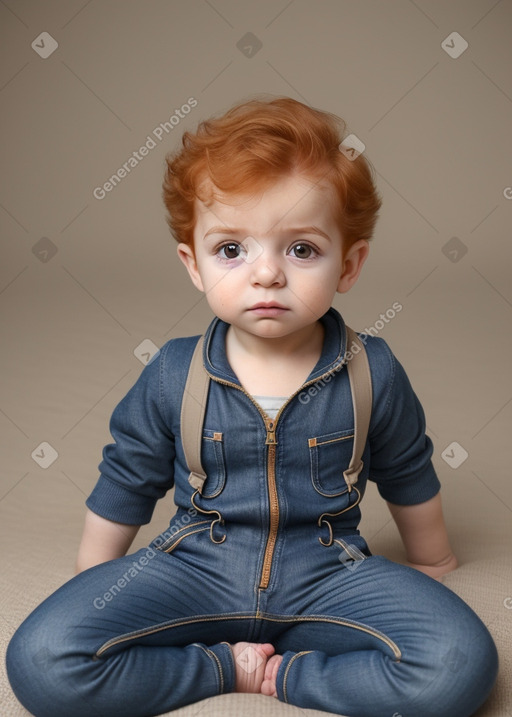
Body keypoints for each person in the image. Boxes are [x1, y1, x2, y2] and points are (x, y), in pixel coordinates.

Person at [6, 96, 498, 717]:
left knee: (460, 665)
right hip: (193, 569)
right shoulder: (172, 372)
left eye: (300, 250)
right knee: (43, 659)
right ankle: (218, 666)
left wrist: (435, 561)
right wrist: (97, 579)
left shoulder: (373, 370)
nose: (266, 274)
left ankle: (289, 677)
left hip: (328, 574)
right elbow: (128, 475)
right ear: (193, 263)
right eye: (232, 250)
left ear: (349, 264)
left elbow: (407, 468)